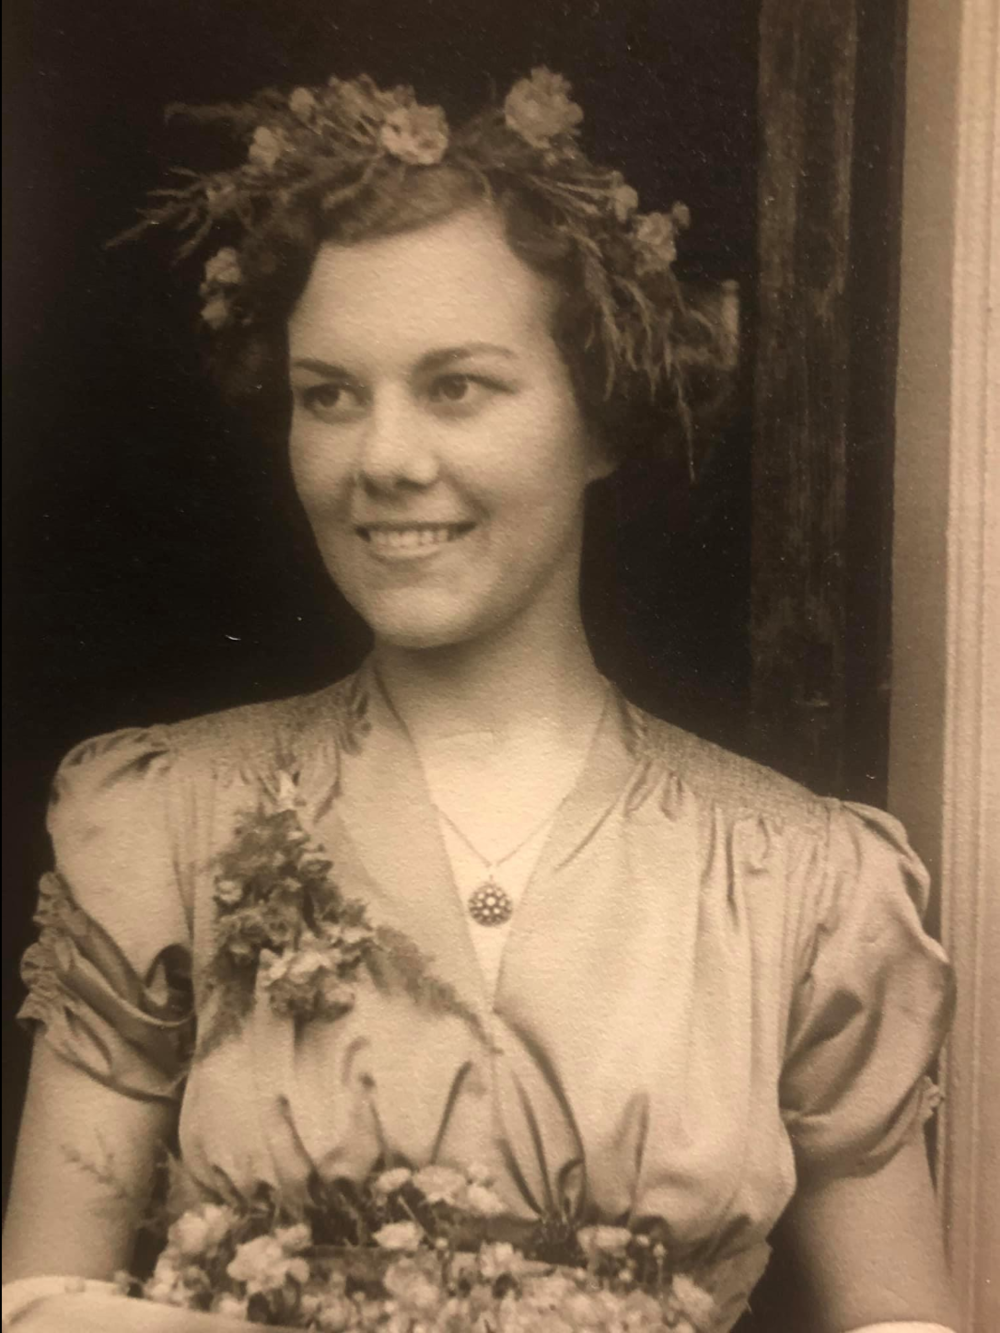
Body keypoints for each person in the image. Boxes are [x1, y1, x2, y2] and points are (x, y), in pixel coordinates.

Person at [2, 70, 957, 1333]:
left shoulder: (800, 883)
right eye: (329, 393)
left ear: (599, 419)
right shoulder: (166, 823)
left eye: (455, 385)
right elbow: (42, 1307)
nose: (384, 458)